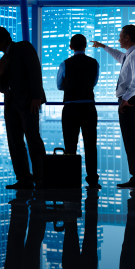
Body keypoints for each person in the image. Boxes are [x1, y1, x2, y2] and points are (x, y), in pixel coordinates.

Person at [92, 25, 135, 189]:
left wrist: (125, 99)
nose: (119, 38)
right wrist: (103, 46)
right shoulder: (131, 54)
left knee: (132, 142)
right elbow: (120, 56)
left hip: (131, 102)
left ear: (127, 37)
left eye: (120, 36)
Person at [0, 26, 46, 190]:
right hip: (11, 104)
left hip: (28, 101)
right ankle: (23, 178)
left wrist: (36, 96)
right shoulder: (3, 60)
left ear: (3, 40)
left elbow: (34, 71)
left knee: (33, 139)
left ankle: (42, 178)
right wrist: (1, 73)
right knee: (14, 141)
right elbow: (1, 87)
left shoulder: (23, 47)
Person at [57, 34, 101, 189]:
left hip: (70, 107)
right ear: (85, 46)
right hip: (89, 107)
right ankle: (93, 179)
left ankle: (70, 178)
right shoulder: (94, 63)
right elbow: (94, 82)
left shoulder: (65, 64)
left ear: (71, 47)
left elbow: (59, 85)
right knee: (90, 144)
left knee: (70, 145)